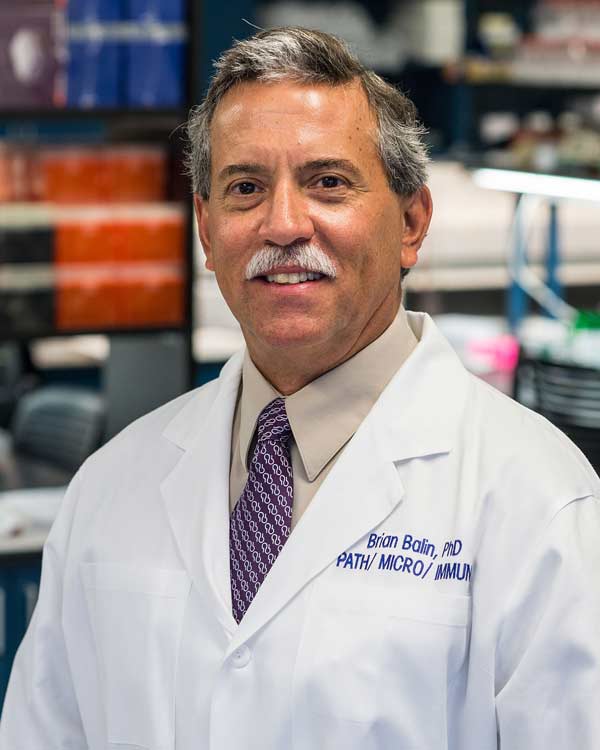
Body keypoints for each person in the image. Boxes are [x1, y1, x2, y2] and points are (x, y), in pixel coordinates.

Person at [1, 26, 599, 750]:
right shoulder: (110, 487)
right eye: (246, 187)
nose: (283, 224)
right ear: (206, 227)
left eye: (328, 182)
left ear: (412, 223)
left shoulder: (537, 502)